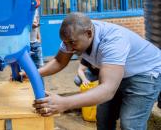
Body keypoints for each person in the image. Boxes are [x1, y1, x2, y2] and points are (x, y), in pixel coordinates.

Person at [33, 12, 161, 130]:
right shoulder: (74, 35)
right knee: (103, 117)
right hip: (120, 73)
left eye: (72, 43)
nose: (68, 48)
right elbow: (59, 61)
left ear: (89, 34)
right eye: (65, 43)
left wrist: (64, 103)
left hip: (146, 74)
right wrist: (33, 73)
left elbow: (108, 90)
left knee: (130, 123)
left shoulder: (113, 41)